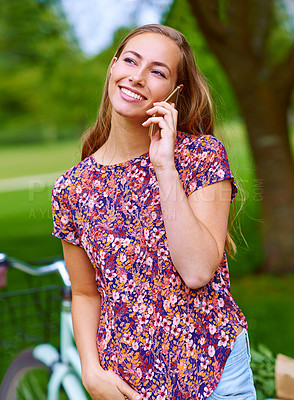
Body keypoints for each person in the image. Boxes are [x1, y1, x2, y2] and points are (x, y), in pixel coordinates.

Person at [51, 24, 256, 400]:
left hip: (214, 374)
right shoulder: (72, 187)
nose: (138, 77)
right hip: (127, 383)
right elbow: (84, 291)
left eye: (158, 71)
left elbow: (196, 271)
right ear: (113, 67)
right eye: (131, 60)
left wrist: (164, 167)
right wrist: (91, 372)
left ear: (174, 93)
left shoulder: (200, 157)